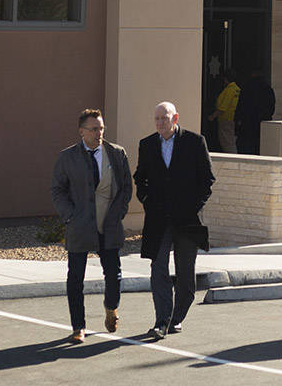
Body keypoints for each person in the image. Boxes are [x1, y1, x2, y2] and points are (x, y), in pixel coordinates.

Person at [134, 101, 216, 339]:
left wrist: (194, 207)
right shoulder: (147, 144)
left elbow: (207, 179)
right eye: (157, 118)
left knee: (185, 273)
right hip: (158, 219)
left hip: (187, 219)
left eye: (164, 118)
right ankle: (162, 320)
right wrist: (147, 200)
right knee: (158, 267)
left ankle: (177, 317)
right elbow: (141, 178)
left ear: (175, 118)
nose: (160, 122)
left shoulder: (194, 142)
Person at [50, 108, 133, 343]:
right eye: (94, 129)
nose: (99, 133)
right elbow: (57, 189)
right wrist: (70, 215)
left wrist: (120, 213)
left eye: (102, 128)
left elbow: (126, 187)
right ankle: (78, 326)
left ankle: (111, 308)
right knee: (75, 278)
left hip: (109, 224)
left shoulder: (117, 153)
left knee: (114, 275)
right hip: (80, 225)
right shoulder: (67, 157)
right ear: (81, 131)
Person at [234, 70, 276, 154]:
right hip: (262, 123)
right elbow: (271, 106)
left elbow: (241, 105)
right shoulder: (267, 88)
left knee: (247, 146)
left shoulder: (247, 88)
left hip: (247, 122)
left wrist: (237, 119)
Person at [208, 70, 241, 153]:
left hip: (225, 119)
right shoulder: (237, 89)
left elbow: (223, 107)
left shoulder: (229, 90)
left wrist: (212, 116)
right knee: (230, 141)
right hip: (232, 118)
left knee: (227, 142)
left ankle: (232, 160)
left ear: (226, 79)